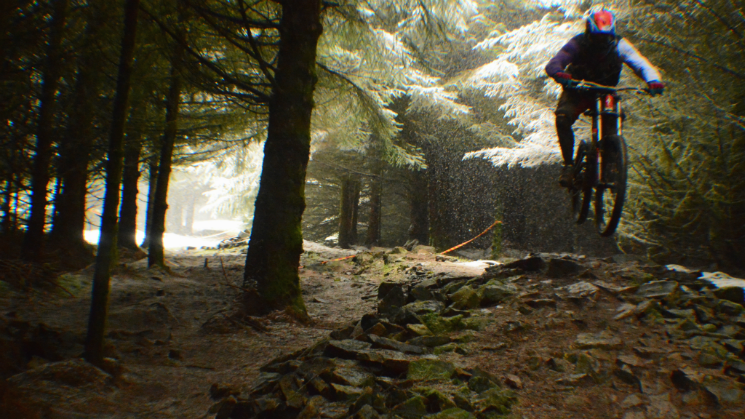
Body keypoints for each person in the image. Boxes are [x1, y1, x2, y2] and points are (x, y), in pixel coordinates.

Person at [545, 8, 665, 187]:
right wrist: (559, 73)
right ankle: (568, 165)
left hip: (605, 92)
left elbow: (640, 63)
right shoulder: (578, 43)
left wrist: (653, 80)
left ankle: (610, 163)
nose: (601, 41)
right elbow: (557, 61)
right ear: (589, 33)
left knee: (613, 122)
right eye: (597, 37)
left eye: (605, 37)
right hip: (578, 90)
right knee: (563, 118)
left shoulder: (619, 45)